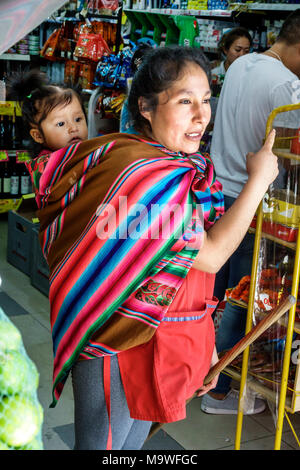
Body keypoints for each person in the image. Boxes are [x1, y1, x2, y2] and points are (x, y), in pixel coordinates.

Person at [15, 46, 277, 450]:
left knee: (130, 446)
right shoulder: (145, 176)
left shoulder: (169, 164)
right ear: (146, 107)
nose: (201, 114)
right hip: (116, 341)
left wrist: (202, 345)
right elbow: (209, 254)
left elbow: (187, 270)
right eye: (184, 100)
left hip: (162, 337)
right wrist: (258, 181)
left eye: (206, 99)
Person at [201, 9, 300, 415]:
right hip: (251, 202)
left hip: (217, 192)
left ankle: (200, 375)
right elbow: (292, 154)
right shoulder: (287, 86)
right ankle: (222, 389)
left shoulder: (242, 63)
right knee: (243, 295)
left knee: (213, 295)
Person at [7, 69, 88, 157]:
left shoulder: (77, 152)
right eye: (61, 124)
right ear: (38, 136)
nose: (74, 128)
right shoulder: (50, 164)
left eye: (78, 119)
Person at [211, 27, 252, 91]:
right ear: (225, 49)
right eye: (238, 50)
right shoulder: (214, 75)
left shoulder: (250, 77)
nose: (242, 55)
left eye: (246, 51)